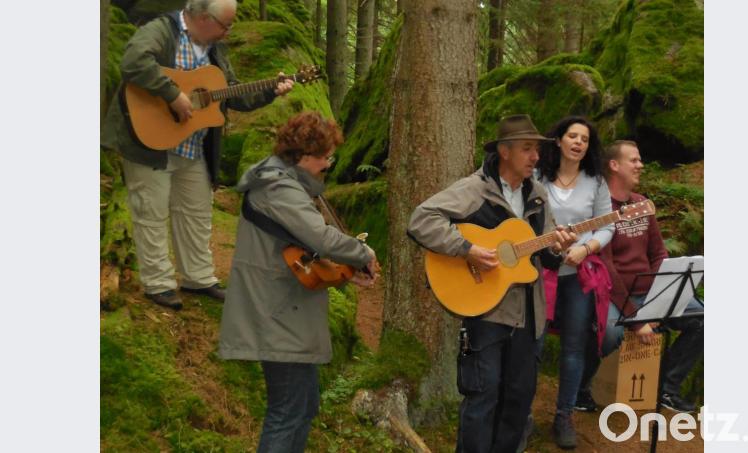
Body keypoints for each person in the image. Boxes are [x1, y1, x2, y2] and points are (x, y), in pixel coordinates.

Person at [101, 0, 294, 310]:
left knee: (197, 213)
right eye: (224, 25)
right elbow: (134, 61)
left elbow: (230, 95)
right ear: (203, 18)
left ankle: (198, 278)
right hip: (149, 141)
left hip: (193, 147)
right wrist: (172, 94)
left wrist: (271, 90)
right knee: (151, 213)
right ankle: (159, 283)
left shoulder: (215, 50)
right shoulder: (162, 30)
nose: (228, 32)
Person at [408, 114, 576, 453]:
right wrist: (466, 248)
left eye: (537, 150)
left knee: (518, 401)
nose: (535, 157)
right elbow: (421, 219)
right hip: (486, 314)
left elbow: (545, 258)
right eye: (527, 149)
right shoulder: (475, 189)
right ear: (504, 150)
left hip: (528, 315)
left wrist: (559, 247)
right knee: (482, 397)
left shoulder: (538, 195)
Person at [218, 112, 379, 453]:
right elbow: (320, 238)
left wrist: (346, 274)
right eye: (326, 157)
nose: (327, 165)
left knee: (303, 406)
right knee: (287, 412)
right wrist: (362, 252)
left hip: (285, 311)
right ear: (306, 156)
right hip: (276, 314)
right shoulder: (278, 187)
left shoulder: (282, 185)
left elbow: (301, 250)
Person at [577, 140, 703, 413]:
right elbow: (607, 268)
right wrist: (636, 319)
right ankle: (580, 389)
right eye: (633, 160)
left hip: (649, 291)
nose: (640, 165)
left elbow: (658, 253)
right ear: (614, 165)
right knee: (609, 333)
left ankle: (667, 390)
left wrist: (663, 297)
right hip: (613, 294)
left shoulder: (642, 204)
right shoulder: (599, 210)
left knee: (702, 319)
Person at [534, 116, 614, 450]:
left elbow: (608, 225)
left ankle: (564, 415)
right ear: (559, 140)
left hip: (577, 276)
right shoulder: (538, 175)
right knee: (533, 345)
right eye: (572, 136)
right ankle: (521, 415)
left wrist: (585, 248)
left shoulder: (596, 181)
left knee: (574, 347)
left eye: (584, 138)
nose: (578, 142)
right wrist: (546, 243)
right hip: (538, 272)